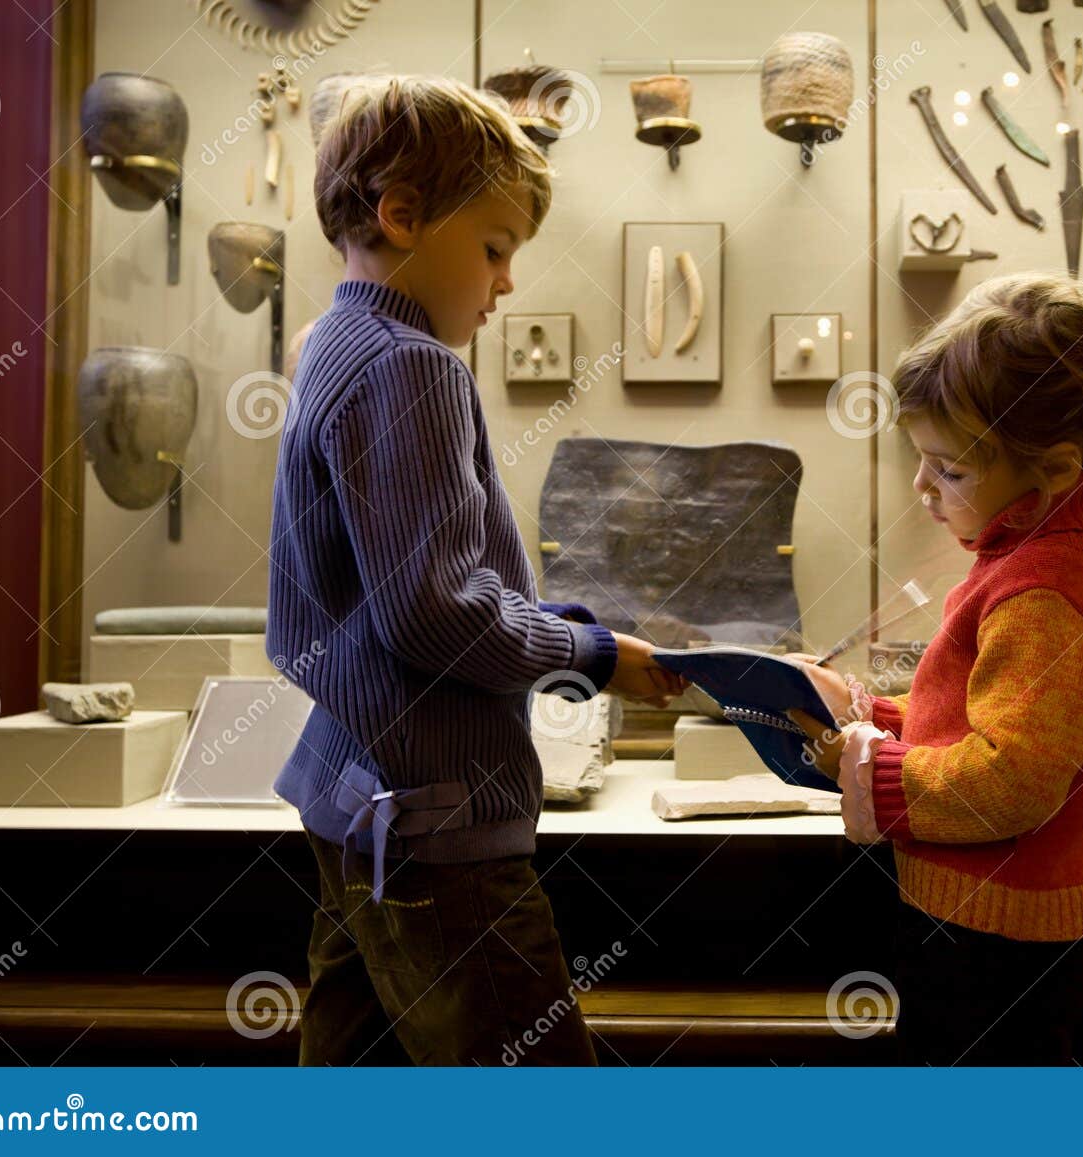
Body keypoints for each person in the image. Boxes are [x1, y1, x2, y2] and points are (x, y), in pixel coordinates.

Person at [265, 75, 684, 1066]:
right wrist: (589, 651)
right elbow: (435, 611)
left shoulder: (329, 342)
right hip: (435, 820)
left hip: (351, 797)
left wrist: (562, 621)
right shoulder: (409, 363)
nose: (504, 284)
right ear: (401, 215)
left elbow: (395, 593)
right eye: (494, 249)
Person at [789, 273, 1083, 1065]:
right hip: (999, 921)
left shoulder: (1043, 592)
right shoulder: (1030, 556)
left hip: (1004, 944)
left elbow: (1008, 779)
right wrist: (860, 709)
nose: (923, 486)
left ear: (1052, 468)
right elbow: (975, 720)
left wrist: (862, 763)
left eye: (948, 469)